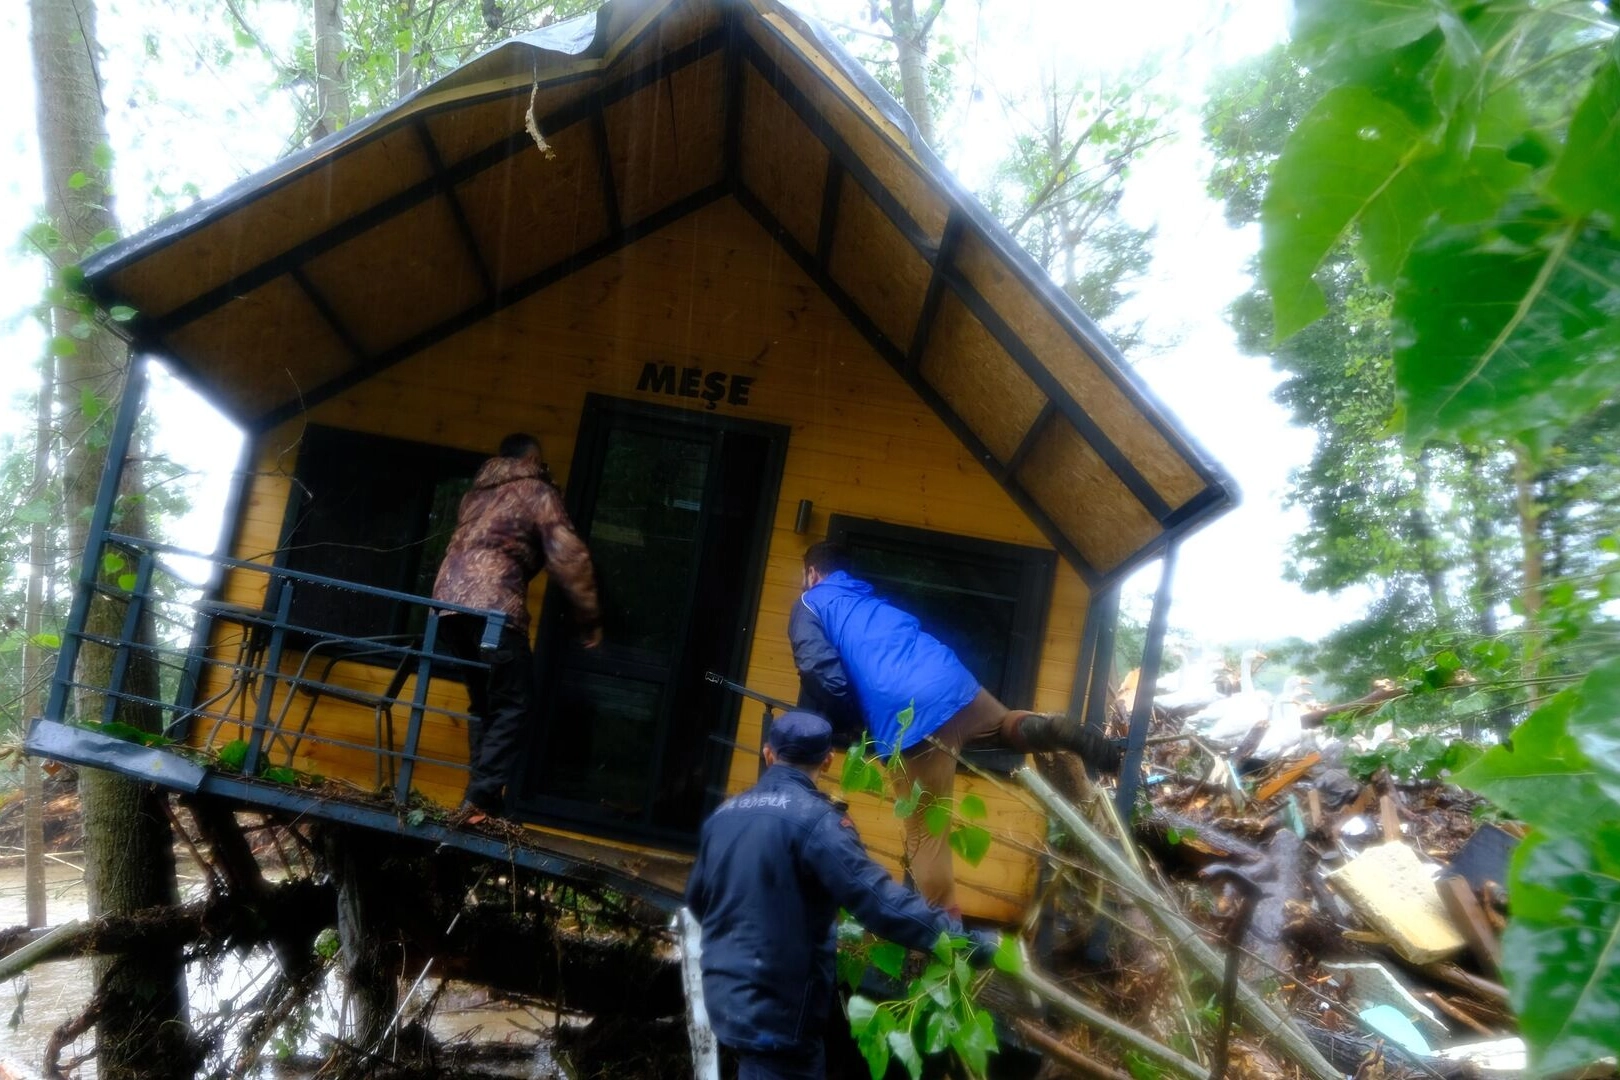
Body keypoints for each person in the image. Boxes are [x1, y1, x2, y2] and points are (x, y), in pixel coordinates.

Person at [789, 541, 1122, 910]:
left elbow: (819, 671)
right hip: (949, 678)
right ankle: (1048, 728)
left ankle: (945, 934)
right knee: (1003, 727)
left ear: (813, 573)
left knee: (926, 838)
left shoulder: (810, 602)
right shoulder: (866, 598)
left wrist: (853, 721)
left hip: (907, 713)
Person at [685, 710, 998, 1080]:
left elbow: (698, 903)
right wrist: (968, 942)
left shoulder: (723, 817)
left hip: (727, 998)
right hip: (781, 1013)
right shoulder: (819, 823)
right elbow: (880, 903)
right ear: (828, 761)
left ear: (768, 754)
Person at [432, 433, 601, 823]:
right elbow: (569, 557)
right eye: (539, 460)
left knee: (485, 703)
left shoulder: (476, 494)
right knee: (514, 704)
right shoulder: (535, 491)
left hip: (447, 607)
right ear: (530, 459)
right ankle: (480, 799)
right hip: (493, 608)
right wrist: (589, 618)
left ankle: (482, 803)